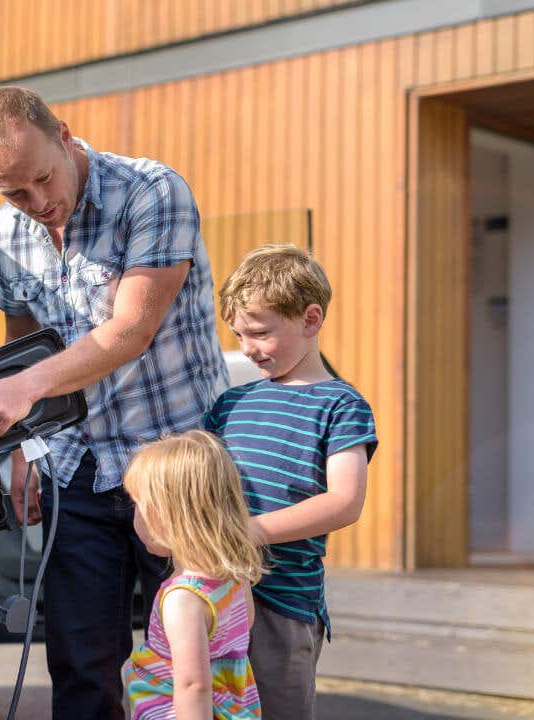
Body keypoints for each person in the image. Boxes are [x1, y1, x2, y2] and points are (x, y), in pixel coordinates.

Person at [0, 85, 230, 720]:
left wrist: (25, 391)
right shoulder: (7, 233)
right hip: (75, 467)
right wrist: (22, 447)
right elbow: (20, 350)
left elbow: (131, 331)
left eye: (43, 179)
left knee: (191, 664)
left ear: (65, 132)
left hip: (176, 465)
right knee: (80, 669)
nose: (38, 203)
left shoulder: (153, 192)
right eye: (14, 193)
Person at [202, 244, 378, 720]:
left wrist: (250, 533)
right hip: (214, 596)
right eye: (238, 334)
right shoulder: (229, 404)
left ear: (311, 319)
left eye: (260, 333)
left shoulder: (341, 406)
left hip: (281, 603)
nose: (247, 348)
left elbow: (344, 502)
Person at [121, 430, 264, 720]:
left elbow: (192, 685)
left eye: (137, 504)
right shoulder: (234, 573)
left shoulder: (183, 598)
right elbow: (243, 625)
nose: (133, 513)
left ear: (167, 516)